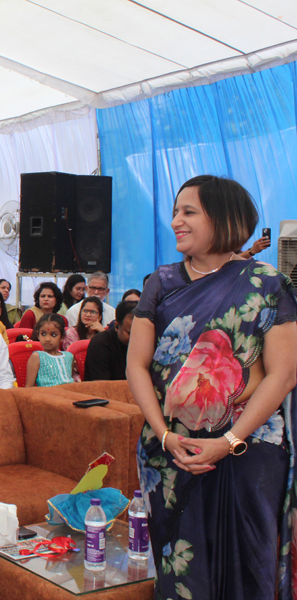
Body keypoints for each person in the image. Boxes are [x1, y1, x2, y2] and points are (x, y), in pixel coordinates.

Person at [128, 175, 297, 600]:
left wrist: (228, 442)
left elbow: (283, 374)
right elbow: (137, 366)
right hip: (171, 454)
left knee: (247, 568)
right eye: (175, 212)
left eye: (189, 212)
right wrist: (164, 436)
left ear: (224, 218)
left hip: (247, 451)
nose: (176, 222)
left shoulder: (268, 284)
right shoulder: (161, 282)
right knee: (181, 575)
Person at [83, 300, 136, 381]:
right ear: (117, 326)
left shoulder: (147, 343)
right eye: (130, 333)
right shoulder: (100, 344)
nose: (136, 338)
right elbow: (101, 385)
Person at [25, 313, 74, 387]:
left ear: (62, 337)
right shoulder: (37, 357)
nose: (47, 339)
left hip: (70, 392)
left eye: (53, 335)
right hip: (46, 394)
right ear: (38, 335)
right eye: (43, 334)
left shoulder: (69, 356)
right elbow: (29, 388)